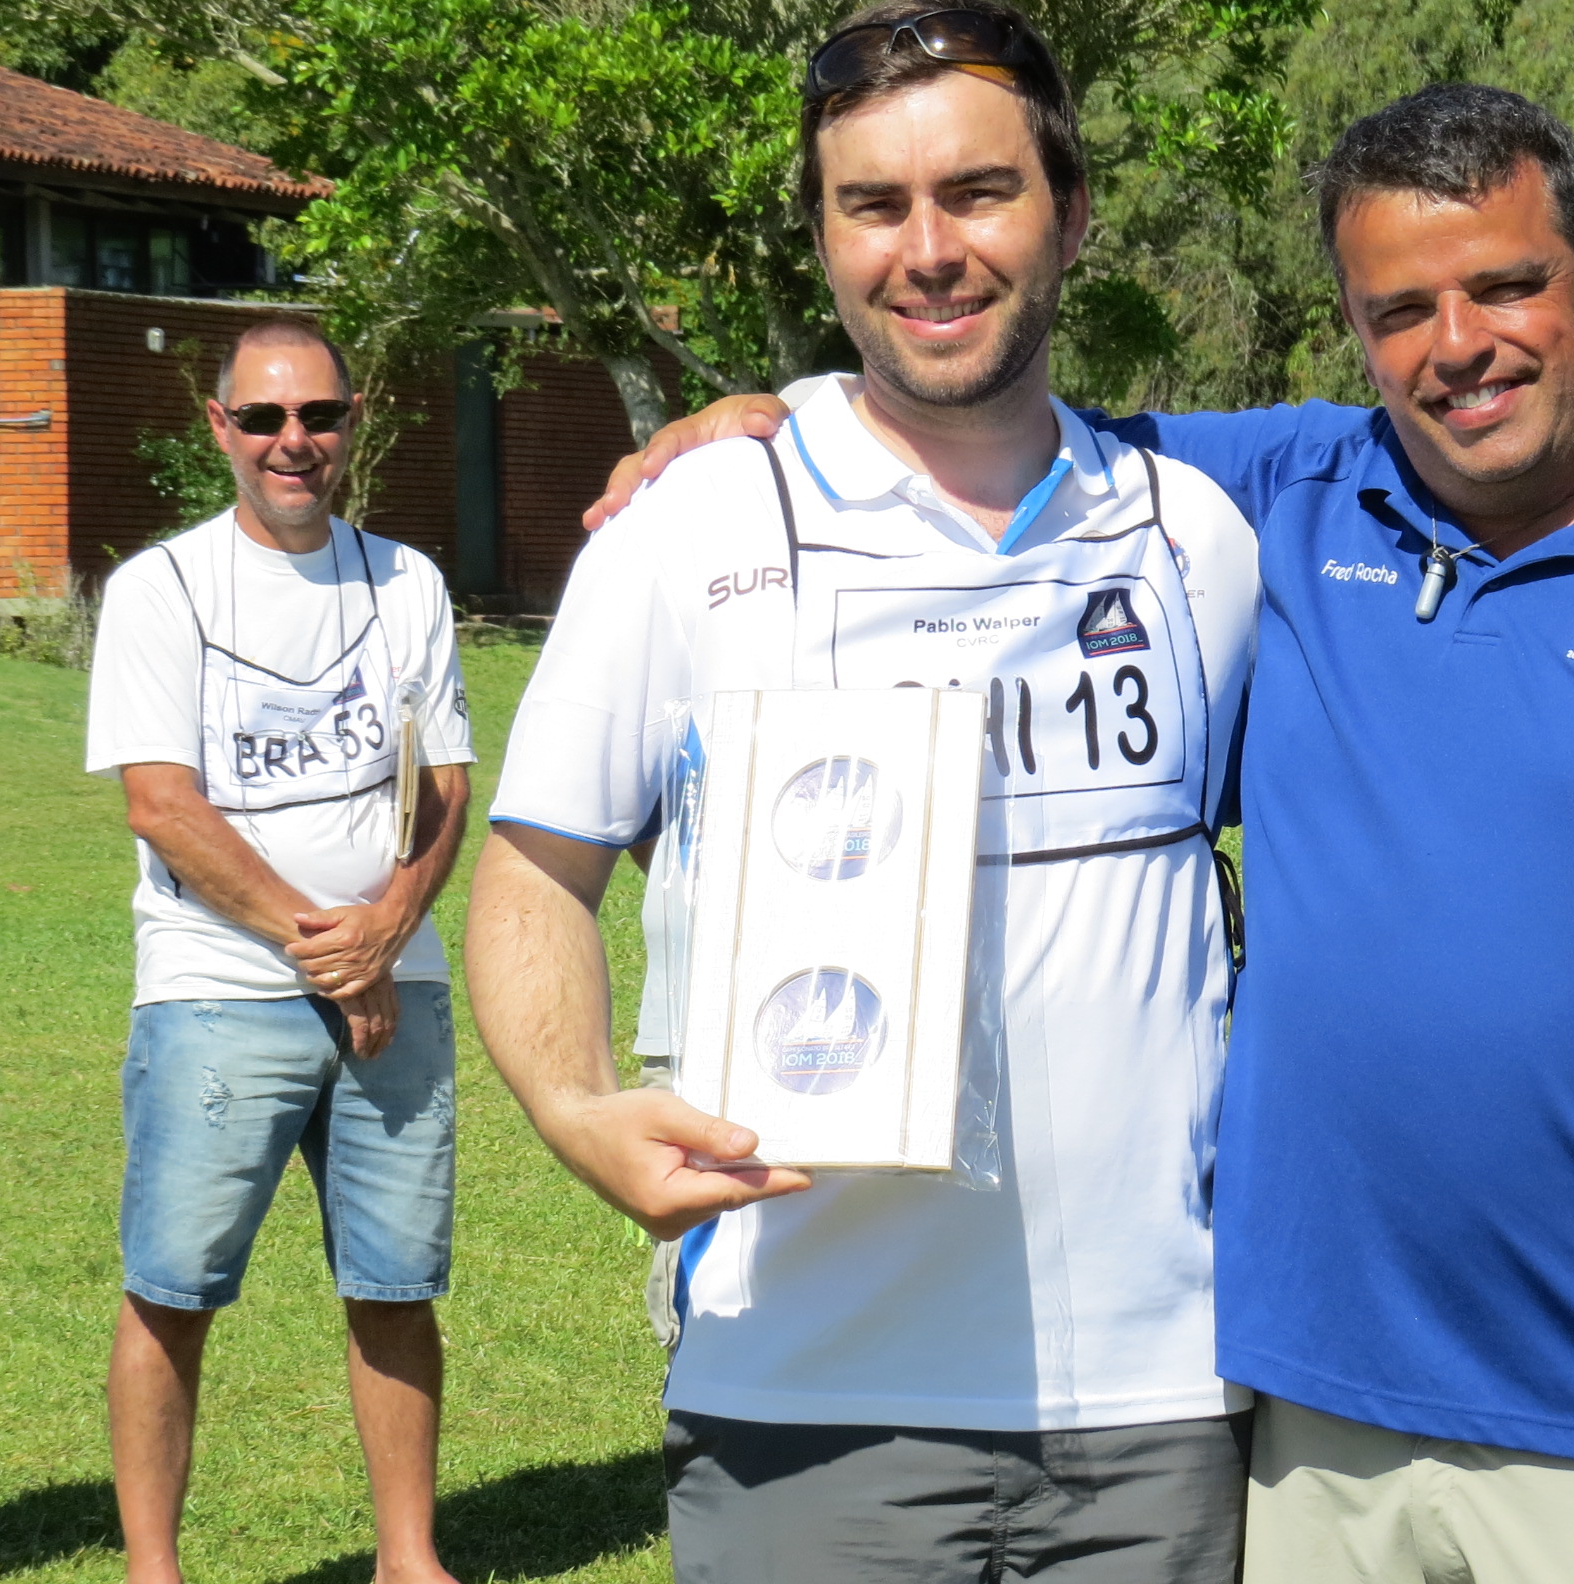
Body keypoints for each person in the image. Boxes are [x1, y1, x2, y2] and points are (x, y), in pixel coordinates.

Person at [596, 81, 1574, 1584]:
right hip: (1299, 1427)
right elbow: (980, 432)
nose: (1457, 346)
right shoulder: (1285, 497)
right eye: (1399, 310)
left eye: (1505, 286)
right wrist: (773, 432)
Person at [463, 5, 1261, 1580]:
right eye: (874, 205)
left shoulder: (1198, 536)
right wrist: (574, 1108)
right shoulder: (691, 527)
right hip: (803, 1395)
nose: (929, 250)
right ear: (824, 239)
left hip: (1163, 1401)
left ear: (1071, 214)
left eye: (979, 192)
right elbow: (537, 869)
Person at [84, 317, 475, 1584]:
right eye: (262, 417)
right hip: (218, 989)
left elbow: (445, 782)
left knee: (396, 1284)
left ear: (355, 422)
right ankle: (154, 1570)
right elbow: (162, 805)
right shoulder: (162, 587)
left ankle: (407, 1560)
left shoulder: (407, 582)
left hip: (395, 984)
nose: (291, 441)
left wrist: (391, 927)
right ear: (220, 428)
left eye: (318, 414)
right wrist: (334, 954)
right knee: (173, 1289)